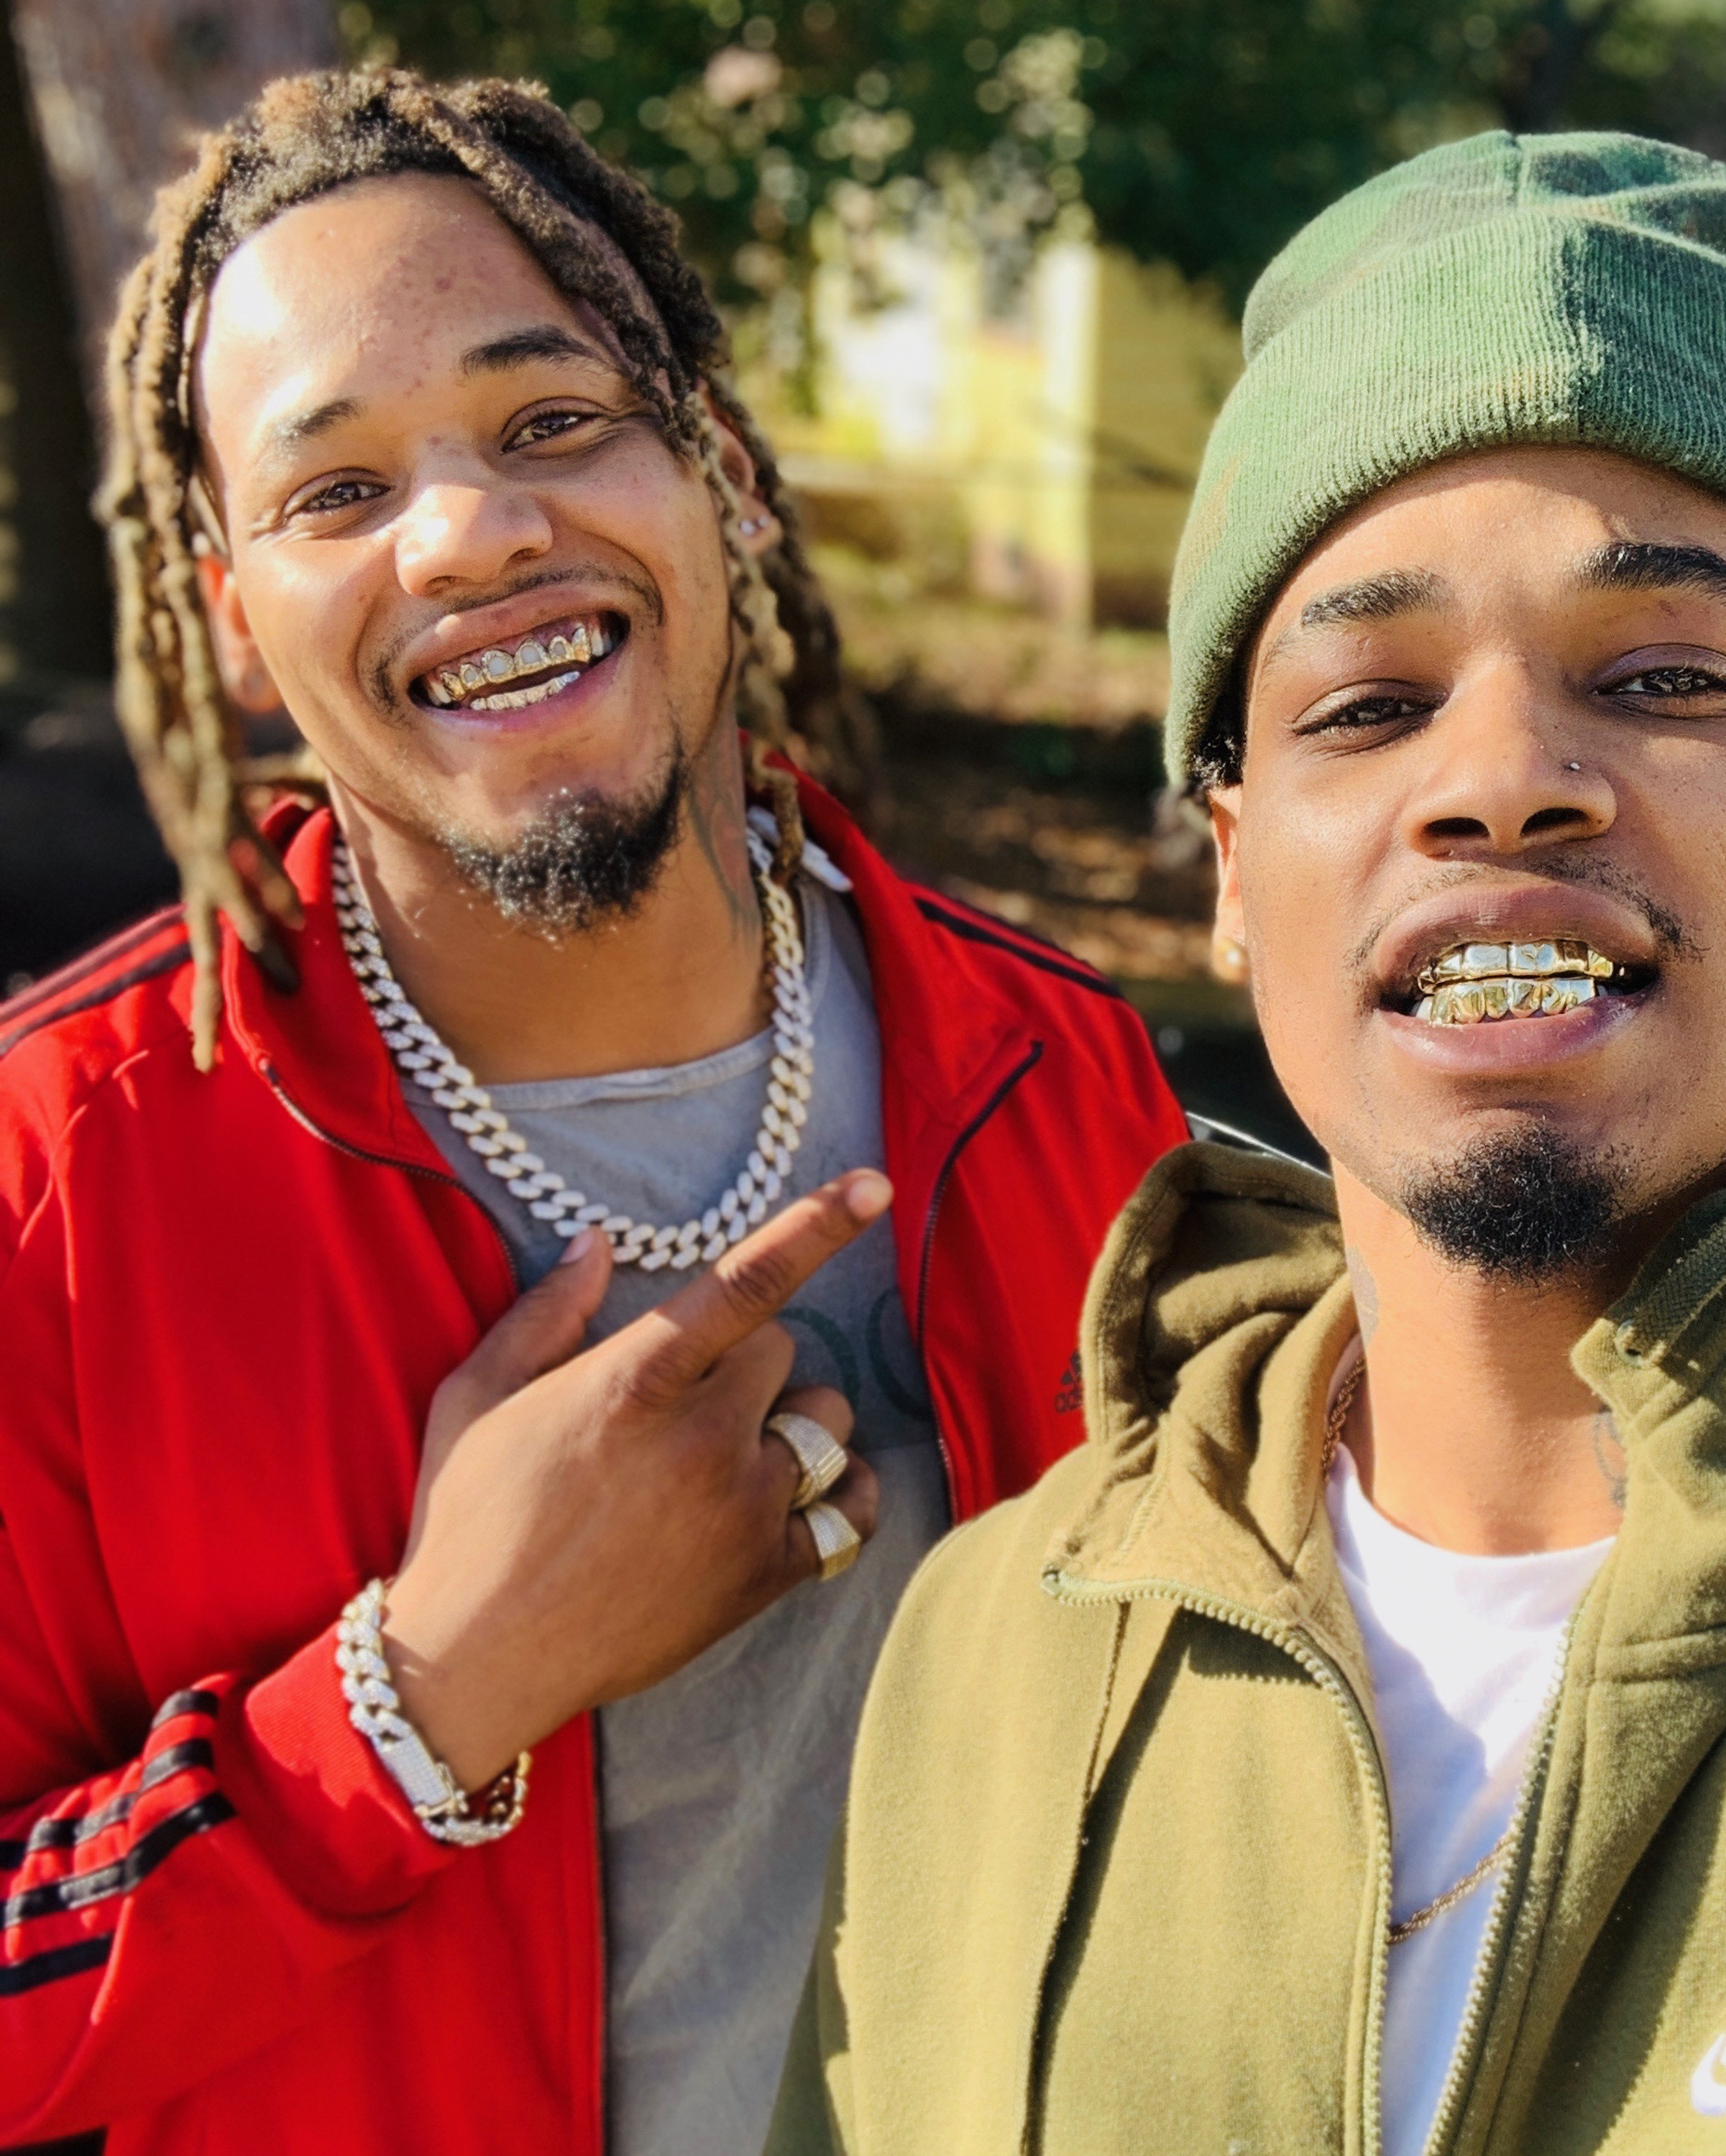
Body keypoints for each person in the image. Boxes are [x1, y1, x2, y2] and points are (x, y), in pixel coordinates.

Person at [768, 132, 1726, 2156]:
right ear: (1233, 868)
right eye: (1365, 706)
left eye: (1666, 676)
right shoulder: (997, 1649)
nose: (1500, 781)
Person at [0, 70, 1187, 2156]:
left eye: (553, 421)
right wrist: (424, 1696)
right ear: (235, 620)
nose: (470, 532)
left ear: (721, 473)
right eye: (336, 490)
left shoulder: (1055, 1080)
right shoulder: (58, 1183)